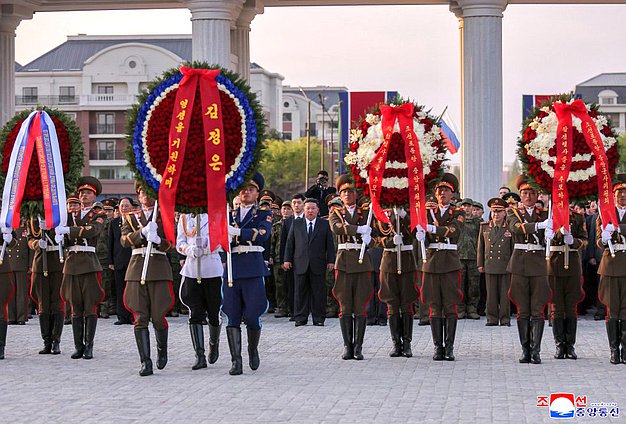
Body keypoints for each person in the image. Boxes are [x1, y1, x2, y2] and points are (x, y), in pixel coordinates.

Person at [121, 185, 174, 376]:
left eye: (149, 193)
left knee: (158, 316)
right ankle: (145, 361)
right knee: (140, 317)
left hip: (158, 268)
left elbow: (171, 244)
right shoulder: (130, 217)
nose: (145, 196)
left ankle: (162, 350)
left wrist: (159, 240)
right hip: (137, 269)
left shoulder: (164, 215)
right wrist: (141, 233)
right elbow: (124, 240)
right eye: (142, 193)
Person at [225, 173, 272, 375]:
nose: (246, 192)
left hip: (252, 267)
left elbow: (263, 233)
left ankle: (252, 349)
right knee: (232, 314)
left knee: (253, 314)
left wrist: (237, 233)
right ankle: (236, 360)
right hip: (232, 267)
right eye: (243, 188)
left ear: (257, 193)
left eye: (251, 189)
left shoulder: (263, 214)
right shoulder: (228, 215)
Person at [56, 177, 106, 360]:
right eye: (82, 192)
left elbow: (93, 230)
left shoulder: (98, 213)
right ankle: (79, 346)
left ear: (94, 196)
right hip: (71, 264)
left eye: (89, 193)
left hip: (89, 262)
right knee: (75, 307)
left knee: (90, 306)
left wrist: (69, 231)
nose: (84, 195)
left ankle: (89, 346)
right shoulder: (69, 215)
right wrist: (60, 236)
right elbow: (63, 231)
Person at [506, 175, 552, 364]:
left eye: (531, 193)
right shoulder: (512, 213)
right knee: (522, 309)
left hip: (539, 264)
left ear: (537, 195)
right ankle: (525, 349)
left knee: (537, 309)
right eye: (524, 193)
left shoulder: (545, 214)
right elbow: (515, 228)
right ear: (520, 195)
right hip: (519, 264)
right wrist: (538, 226)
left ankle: (536, 350)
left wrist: (551, 230)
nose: (528, 196)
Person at [328, 175, 374, 360]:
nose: (347, 194)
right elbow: (336, 228)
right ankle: (348, 346)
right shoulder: (336, 211)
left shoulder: (365, 212)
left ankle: (359, 347)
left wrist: (370, 236)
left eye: (351, 191)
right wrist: (358, 230)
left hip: (362, 262)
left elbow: (376, 230)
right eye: (344, 192)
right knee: (345, 305)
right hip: (345, 261)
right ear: (340, 194)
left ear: (356, 194)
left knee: (360, 306)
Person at [421, 173, 464, 361]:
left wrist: (432, 229)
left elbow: (454, 231)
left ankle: (450, 347)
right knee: (434, 306)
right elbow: (425, 232)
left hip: (449, 262)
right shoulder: (427, 212)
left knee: (450, 305)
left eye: (446, 191)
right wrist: (422, 235)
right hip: (431, 263)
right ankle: (438, 347)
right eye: (439, 191)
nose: (442, 194)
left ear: (452, 194)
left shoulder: (458, 212)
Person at [177, 213, 223, 370]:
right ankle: (199, 355)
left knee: (213, 312)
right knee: (195, 312)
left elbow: (222, 240)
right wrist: (189, 249)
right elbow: (180, 242)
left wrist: (206, 247)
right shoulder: (184, 218)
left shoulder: (215, 214)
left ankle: (213, 343)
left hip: (211, 267)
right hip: (192, 268)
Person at [284, 198, 335, 326]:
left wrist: (331, 261)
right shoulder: (296, 224)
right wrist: (287, 259)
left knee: (318, 292)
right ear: (304, 209)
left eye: (313, 208)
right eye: (308, 208)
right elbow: (290, 243)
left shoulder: (324, 224)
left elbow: (330, 244)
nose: (310, 211)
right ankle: (300, 318)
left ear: (318, 210)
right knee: (300, 291)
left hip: (318, 263)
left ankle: (318, 318)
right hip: (299, 263)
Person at [376, 207, 419, 357]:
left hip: (406, 260)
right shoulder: (382, 212)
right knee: (391, 304)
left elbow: (415, 232)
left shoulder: (410, 212)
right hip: (389, 261)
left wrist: (405, 215)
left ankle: (407, 343)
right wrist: (388, 241)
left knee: (407, 303)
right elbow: (374, 237)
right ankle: (396, 343)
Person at [548, 205, 587, 360]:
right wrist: (557, 233)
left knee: (571, 306)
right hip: (555, 264)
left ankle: (570, 346)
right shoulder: (550, 216)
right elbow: (546, 238)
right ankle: (559, 345)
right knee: (557, 306)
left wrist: (574, 241)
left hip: (572, 264)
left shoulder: (577, 217)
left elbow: (585, 241)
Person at [596, 173, 626, 364]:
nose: (623, 196)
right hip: (610, 266)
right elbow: (598, 241)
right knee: (612, 310)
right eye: (619, 192)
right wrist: (604, 238)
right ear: (613, 196)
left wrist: (618, 229)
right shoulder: (605, 214)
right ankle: (614, 350)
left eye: (625, 192)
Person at [477, 198, 514, 326]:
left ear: (505, 213)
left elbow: (513, 247)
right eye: (493, 211)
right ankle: (492, 318)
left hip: (505, 265)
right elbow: (480, 247)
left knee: (504, 294)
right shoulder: (485, 227)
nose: (496, 214)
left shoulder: (510, 227)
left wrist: (513, 265)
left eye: (499, 212)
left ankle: (504, 319)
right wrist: (480, 264)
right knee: (491, 294)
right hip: (490, 265)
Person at [107, 197, 133, 325]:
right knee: (120, 289)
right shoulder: (114, 222)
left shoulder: (135, 221)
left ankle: (133, 315)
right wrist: (110, 261)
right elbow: (110, 242)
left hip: (133, 259)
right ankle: (122, 316)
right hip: (118, 260)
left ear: (132, 207)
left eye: (126, 206)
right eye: (122, 206)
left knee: (132, 289)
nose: (124, 208)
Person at [280, 193, 305, 319]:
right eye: (294, 203)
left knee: (305, 286)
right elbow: (283, 242)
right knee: (292, 286)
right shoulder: (288, 221)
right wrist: (285, 259)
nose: (296, 205)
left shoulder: (308, 219)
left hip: (306, 258)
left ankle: (305, 310)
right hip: (292, 259)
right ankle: (294, 311)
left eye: (299, 202)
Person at [457, 198, 481, 320]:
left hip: (474, 257)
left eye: (468, 206)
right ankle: (460, 309)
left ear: (472, 208)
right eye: (464, 206)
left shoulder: (478, 222)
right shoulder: (456, 221)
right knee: (459, 284)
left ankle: (472, 308)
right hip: (459, 257)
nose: (466, 209)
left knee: (474, 285)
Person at [7, 221, 31, 325]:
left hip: (22, 263)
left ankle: (21, 317)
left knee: (22, 292)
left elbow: (31, 248)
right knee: (10, 292)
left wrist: (30, 264)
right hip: (9, 263)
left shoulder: (28, 228)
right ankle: (11, 317)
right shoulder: (8, 228)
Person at [0, 227, 17, 359]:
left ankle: (0, 347)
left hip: (2, 268)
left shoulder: (4, 221)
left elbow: (13, 243)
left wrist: (9, 237)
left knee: (1, 310)